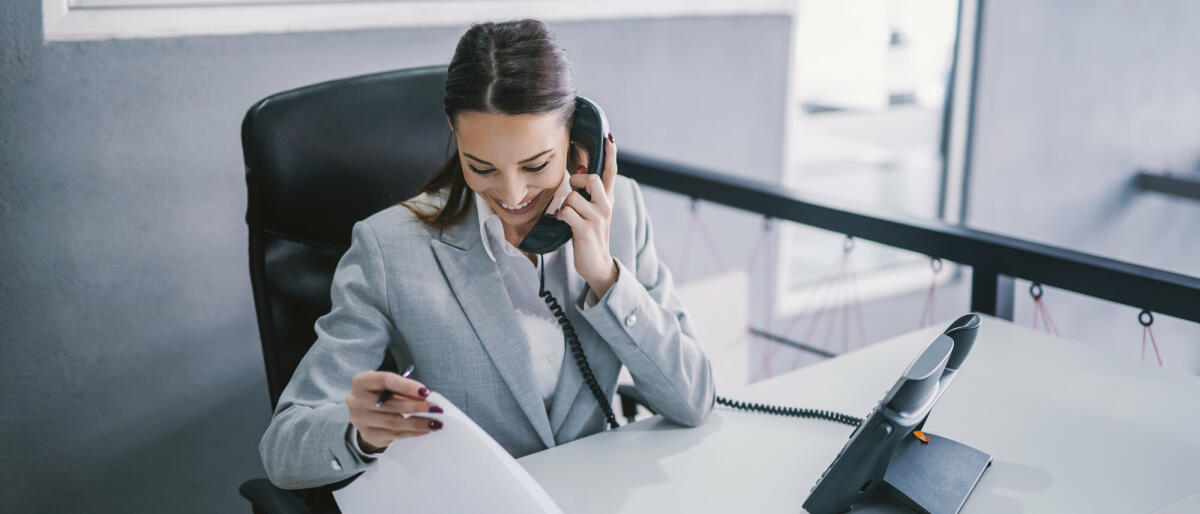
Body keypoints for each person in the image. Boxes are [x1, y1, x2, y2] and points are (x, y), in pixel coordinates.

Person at [260, 18, 714, 490]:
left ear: (580, 143)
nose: (512, 193)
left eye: (536, 164)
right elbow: (283, 446)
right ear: (456, 139)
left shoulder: (620, 217)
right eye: (481, 167)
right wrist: (360, 435)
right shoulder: (389, 249)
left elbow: (694, 400)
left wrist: (605, 276)